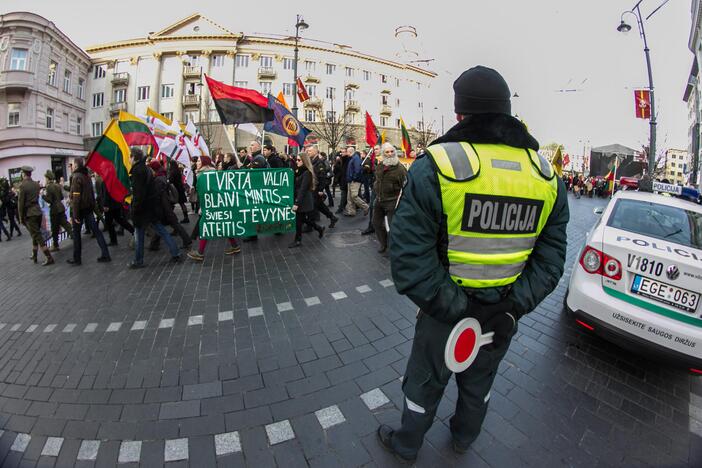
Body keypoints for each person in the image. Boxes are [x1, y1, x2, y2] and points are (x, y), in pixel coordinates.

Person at [378, 66, 569, 462]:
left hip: (445, 311)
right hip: (503, 314)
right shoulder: (547, 176)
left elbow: (409, 257)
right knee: (480, 380)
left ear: (460, 114)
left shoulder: (440, 165)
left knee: (424, 382)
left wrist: (459, 308)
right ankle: (464, 438)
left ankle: (407, 444)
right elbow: (551, 262)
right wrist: (511, 307)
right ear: (506, 111)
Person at [128, 148, 180, 269]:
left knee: (139, 235)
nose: (129, 159)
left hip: (142, 209)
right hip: (150, 207)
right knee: (161, 230)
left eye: (130, 157)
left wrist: (135, 209)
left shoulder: (137, 171)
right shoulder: (146, 169)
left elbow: (139, 194)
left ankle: (138, 260)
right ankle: (175, 252)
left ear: (134, 157)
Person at [187, 155, 241, 260]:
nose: (197, 163)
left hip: (211, 206)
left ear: (204, 163)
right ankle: (235, 246)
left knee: (205, 226)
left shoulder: (203, 175)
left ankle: (200, 252)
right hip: (216, 205)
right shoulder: (210, 173)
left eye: (199, 161)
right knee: (222, 225)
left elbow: (206, 192)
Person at [68, 158, 111, 265]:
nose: (71, 166)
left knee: (77, 234)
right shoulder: (86, 176)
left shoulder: (76, 177)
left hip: (80, 209)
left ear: (76, 165)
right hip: (88, 208)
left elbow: (76, 197)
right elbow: (90, 193)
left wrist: (76, 214)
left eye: (72, 164)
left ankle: (77, 258)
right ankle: (105, 253)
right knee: (96, 231)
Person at [148, 160, 192, 251]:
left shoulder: (158, 179)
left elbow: (158, 195)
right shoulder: (162, 176)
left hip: (163, 207)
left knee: (160, 226)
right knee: (168, 225)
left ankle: (182, 243)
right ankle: (155, 244)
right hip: (166, 206)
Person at [372, 143, 407, 253]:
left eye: (392, 151)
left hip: (393, 202)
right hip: (379, 200)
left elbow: (406, 186)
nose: (390, 154)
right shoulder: (380, 165)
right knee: (376, 223)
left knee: (394, 227)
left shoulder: (400, 169)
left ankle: (397, 247)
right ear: (383, 154)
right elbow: (377, 179)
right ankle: (383, 244)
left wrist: (402, 202)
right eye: (387, 152)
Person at [18, 166, 54, 265]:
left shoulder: (23, 185)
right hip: (38, 211)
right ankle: (34, 254)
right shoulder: (35, 184)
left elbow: (20, 203)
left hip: (30, 213)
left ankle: (49, 257)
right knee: (35, 234)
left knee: (37, 235)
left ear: (23, 174)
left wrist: (21, 217)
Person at [289, 152, 325, 248]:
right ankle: (319, 228)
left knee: (299, 220)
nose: (297, 162)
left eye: (299, 160)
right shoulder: (298, 171)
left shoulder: (307, 173)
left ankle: (298, 240)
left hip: (303, 199)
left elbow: (303, 189)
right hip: (300, 198)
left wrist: (297, 203)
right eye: (296, 160)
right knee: (302, 219)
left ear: (304, 161)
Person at [97, 176, 134, 247]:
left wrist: (105, 205)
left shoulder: (106, 181)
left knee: (109, 223)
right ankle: (132, 230)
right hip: (116, 204)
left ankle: (113, 240)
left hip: (109, 206)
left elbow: (106, 194)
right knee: (120, 220)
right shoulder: (114, 179)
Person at [42, 169, 73, 251]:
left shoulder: (49, 187)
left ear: (48, 178)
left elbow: (50, 200)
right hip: (61, 207)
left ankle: (55, 245)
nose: (45, 180)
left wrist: (43, 196)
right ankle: (74, 237)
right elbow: (62, 197)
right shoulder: (57, 185)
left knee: (54, 228)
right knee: (66, 224)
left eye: (45, 178)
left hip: (54, 210)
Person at [309, 146, 339, 228]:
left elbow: (322, 177)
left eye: (310, 151)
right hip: (314, 187)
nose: (308, 152)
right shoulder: (312, 161)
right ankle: (332, 217)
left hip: (317, 188)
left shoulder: (319, 163)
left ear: (315, 152)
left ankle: (310, 225)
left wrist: (321, 189)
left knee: (314, 205)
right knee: (319, 205)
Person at [362, 144, 382, 235]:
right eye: (374, 149)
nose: (375, 151)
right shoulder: (372, 160)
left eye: (377, 149)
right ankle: (371, 227)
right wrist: (365, 167)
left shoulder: (385, 160)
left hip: (385, 189)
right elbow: (368, 171)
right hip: (375, 187)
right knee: (372, 207)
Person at [344, 146, 369, 216]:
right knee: (349, 197)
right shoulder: (353, 158)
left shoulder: (356, 158)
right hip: (350, 180)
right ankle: (351, 211)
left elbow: (357, 170)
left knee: (354, 196)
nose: (346, 153)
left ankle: (365, 207)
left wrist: (353, 178)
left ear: (350, 152)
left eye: (347, 152)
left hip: (354, 181)